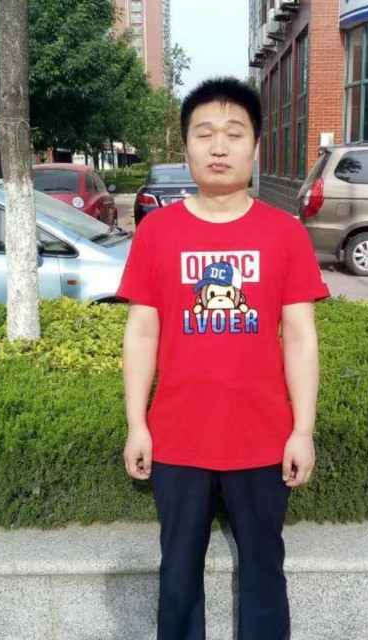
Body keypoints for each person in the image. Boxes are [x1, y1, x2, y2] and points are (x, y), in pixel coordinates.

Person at [116, 76, 330, 640]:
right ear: (184, 145)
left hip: (263, 440)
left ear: (255, 146)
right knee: (177, 575)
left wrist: (302, 430)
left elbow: (300, 337)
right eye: (204, 133)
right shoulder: (157, 232)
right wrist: (137, 424)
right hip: (177, 440)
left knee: (264, 572)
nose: (218, 146)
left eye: (234, 134)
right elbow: (142, 333)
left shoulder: (284, 234)